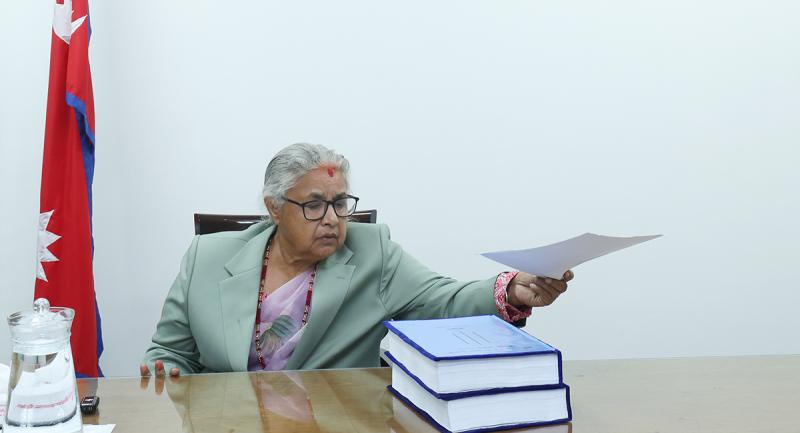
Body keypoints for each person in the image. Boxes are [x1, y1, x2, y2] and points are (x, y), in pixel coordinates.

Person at [141, 143, 573, 376]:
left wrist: (511, 290)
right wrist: (166, 371)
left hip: (334, 420)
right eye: (314, 205)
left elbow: (444, 299)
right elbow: (170, 351)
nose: (332, 219)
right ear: (274, 208)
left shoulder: (372, 254)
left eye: (339, 203)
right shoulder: (207, 257)